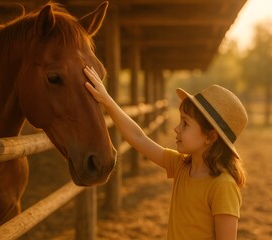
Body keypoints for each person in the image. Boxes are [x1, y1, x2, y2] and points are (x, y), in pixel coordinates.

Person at [83, 65, 248, 240]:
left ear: (210, 137)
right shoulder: (181, 166)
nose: (177, 129)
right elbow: (138, 138)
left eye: (185, 123)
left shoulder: (223, 186)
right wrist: (107, 100)